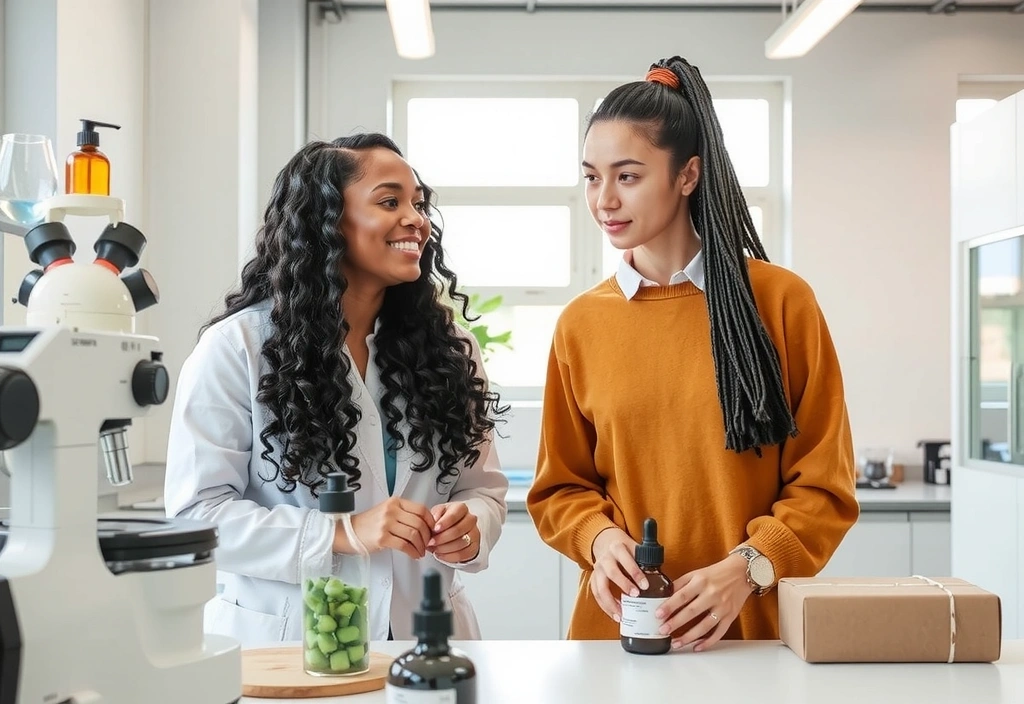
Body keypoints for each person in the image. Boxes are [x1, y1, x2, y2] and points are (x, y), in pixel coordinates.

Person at [526, 56, 859, 652]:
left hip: (751, 641)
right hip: (613, 641)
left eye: (627, 176)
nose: (604, 199)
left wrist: (750, 567)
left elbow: (825, 488)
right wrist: (598, 542)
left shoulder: (780, 302)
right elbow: (560, 488)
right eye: (591, 177)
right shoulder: (580, 324)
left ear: (687, 176)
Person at [164, 133, 509, 647]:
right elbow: (198, 514)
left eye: (418, 204)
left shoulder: (448, 348)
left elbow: (482, 488)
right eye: (390, 201)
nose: (415, 218)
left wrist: (471, 523)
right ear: (327, 222)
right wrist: (343, 533)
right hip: (289, 639)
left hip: (428, 632)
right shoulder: (238, 348)